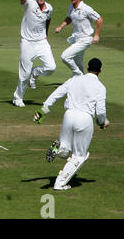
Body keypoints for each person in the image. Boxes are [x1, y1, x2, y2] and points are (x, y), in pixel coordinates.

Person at [33, 58, 109, 190]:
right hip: (84, 119)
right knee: (80, 156)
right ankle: (60, 183)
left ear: (87, 67)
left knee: (65, 151)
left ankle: (60, 148)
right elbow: (101, 111)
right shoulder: (100, 87)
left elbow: (57, 93)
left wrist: (44, 108)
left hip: (68, 115)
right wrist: (102, 122)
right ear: (100, 71)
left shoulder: (75, 79)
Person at [9, 0, 56, 107]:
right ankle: (18, 98)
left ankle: (35, 73)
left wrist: (46, 34)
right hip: (27, 42)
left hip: (42, 42)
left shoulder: (49, 8)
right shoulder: (29, 4)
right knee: (24, 74)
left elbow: (48, 20)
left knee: (51, 67)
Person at [55, 0, 103, 76]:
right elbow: (69, 18)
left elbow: (99, 19)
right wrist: (60, 27)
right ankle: (82, 79)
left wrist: (96, 35)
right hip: (76, 39)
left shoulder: (86, 9)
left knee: (65, 57)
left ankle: (78, 74)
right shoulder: (71, 7)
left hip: (85, 39)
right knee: (78, 62)